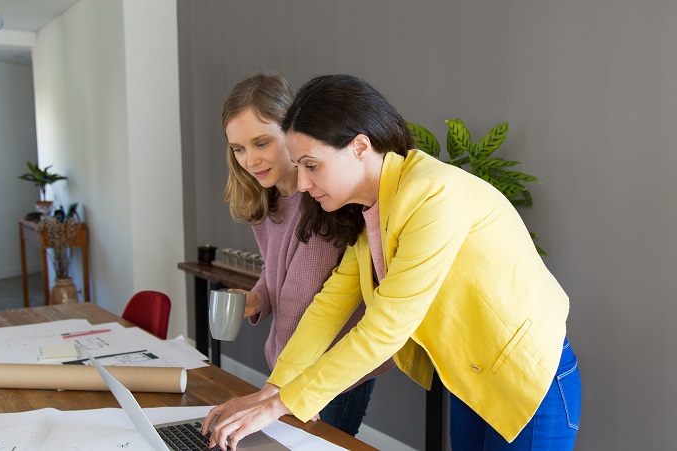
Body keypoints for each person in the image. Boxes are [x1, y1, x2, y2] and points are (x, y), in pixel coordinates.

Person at [205, 74, 582, 451]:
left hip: (530, 378)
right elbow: (331, 303)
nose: (302, 183)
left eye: (311, 165)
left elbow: (385, 329)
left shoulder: (432, 195)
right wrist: (273, 389)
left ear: (359, 147)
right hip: (471, 377)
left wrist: (282, 403)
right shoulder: (374, 205)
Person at [217, 72, 393, 437]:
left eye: (261, 143)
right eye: (238, 149)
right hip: (290, 364)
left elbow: (309, 296)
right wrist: (257, 298)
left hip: (330, 367)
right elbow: (276, 270)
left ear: (293, 132)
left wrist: (278, 392)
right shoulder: (268, 198)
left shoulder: (325, 196)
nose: (250, 160)